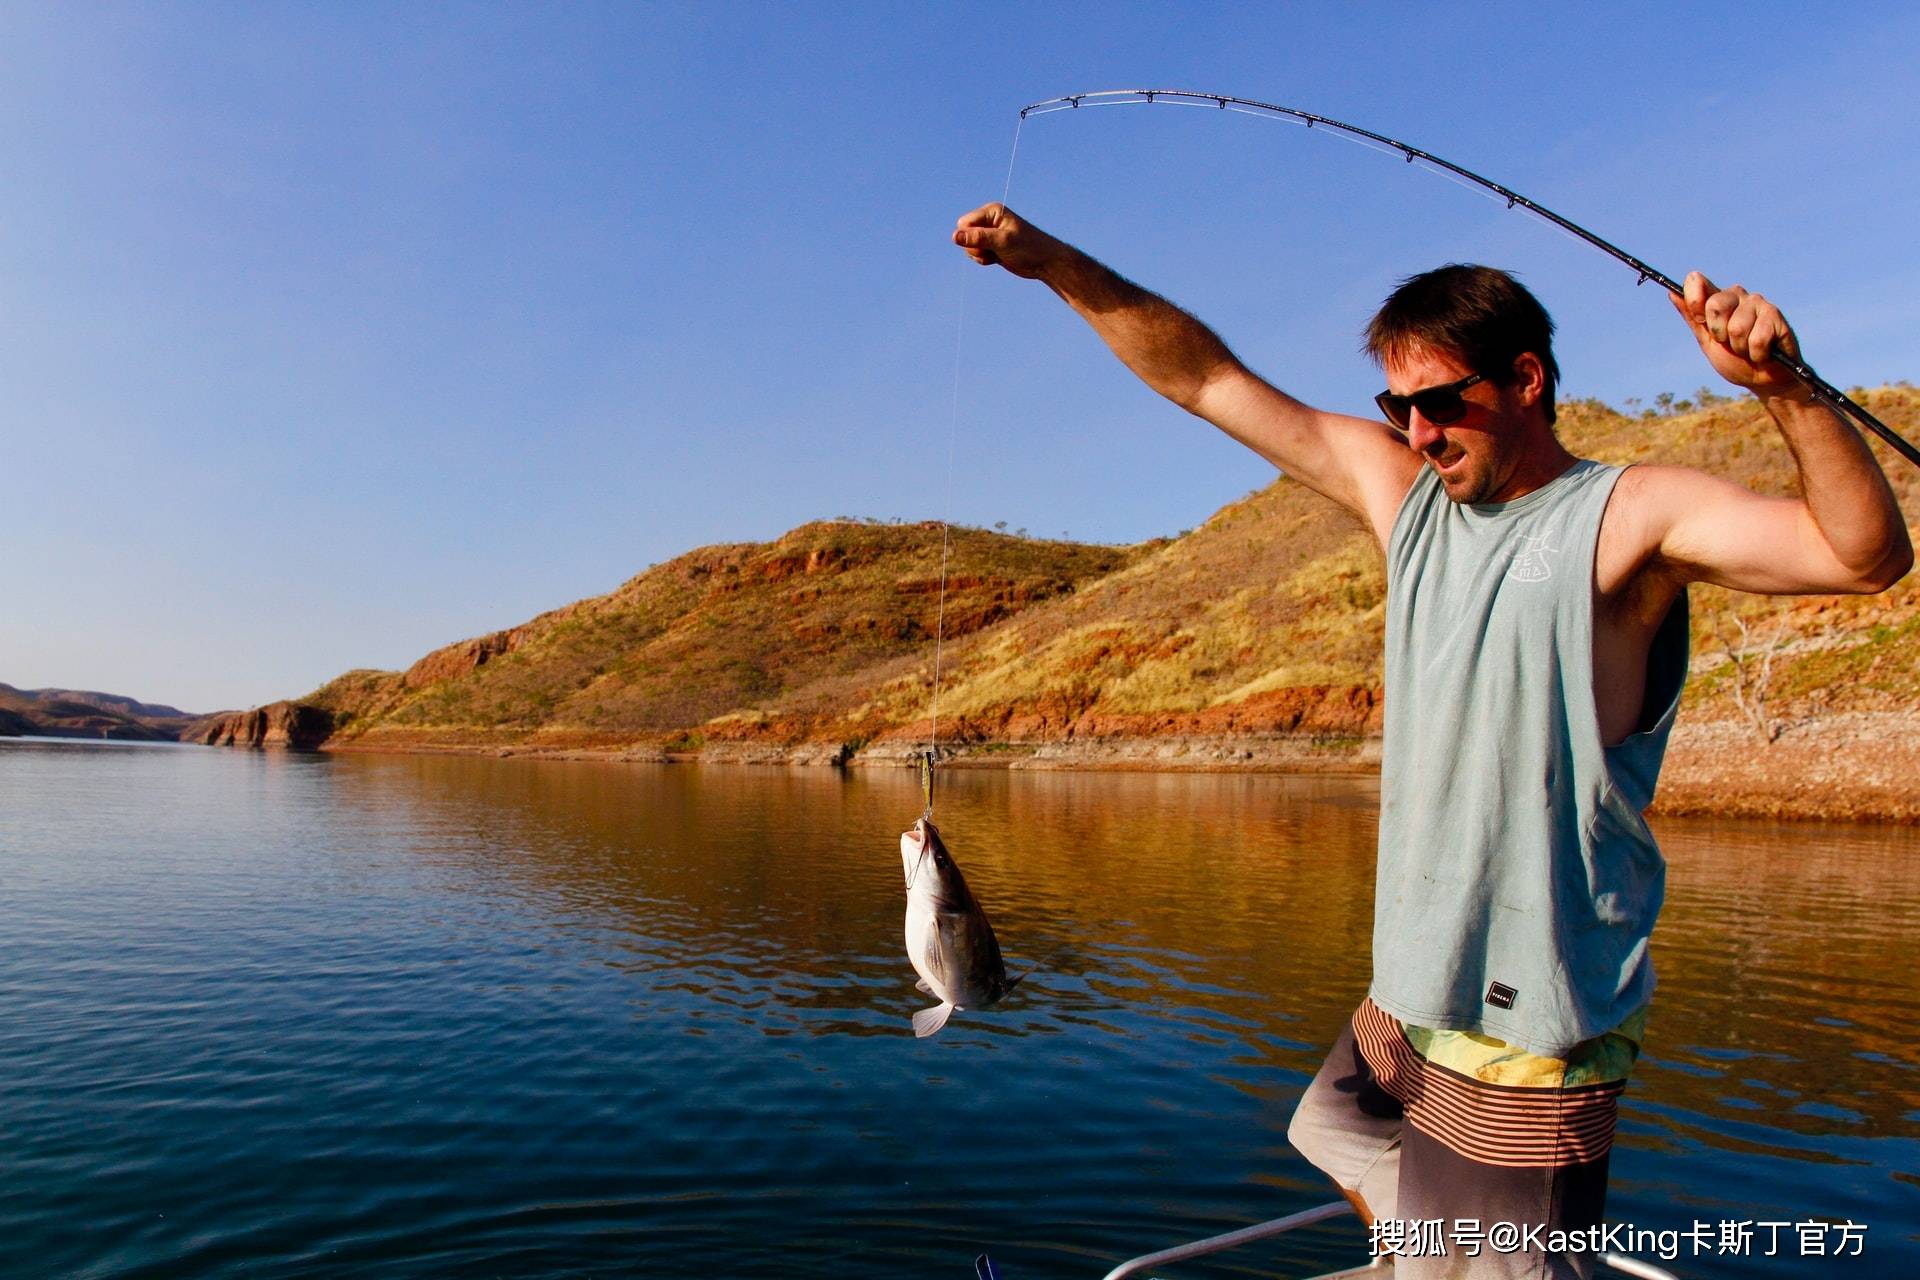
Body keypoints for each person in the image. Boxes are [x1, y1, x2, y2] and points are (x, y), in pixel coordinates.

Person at [952, 202, 1911, 1278]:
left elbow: (1860, 554)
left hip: (1529, 1017)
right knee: (1332, 1126)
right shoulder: (1405, 497)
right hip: (1413, 985)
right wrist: (1050, 264)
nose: (1417, 431)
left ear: (1527, 379)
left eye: (1443, 403)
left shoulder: (1629, 516)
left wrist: (1787, 392)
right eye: (1396, 405)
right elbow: (1204, 378)